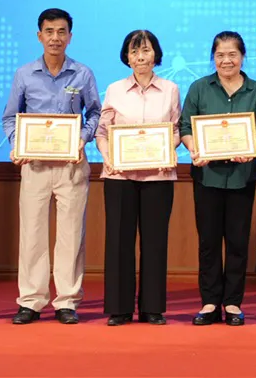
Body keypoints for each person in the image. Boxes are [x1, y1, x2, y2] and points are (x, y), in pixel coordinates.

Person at [2, 8, 101, 325]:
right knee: (32, 234)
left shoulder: (82, 74)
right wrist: (18, 144)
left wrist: (82, 139)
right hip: (36, 166)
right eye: (49, 31)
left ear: (70, 36)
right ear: (39, 35)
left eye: (61, 32)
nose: (55, 37)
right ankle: (31, 301)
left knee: (71, 235)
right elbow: (10, 117)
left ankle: (67, 301)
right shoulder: (24, 74)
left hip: (72, 165)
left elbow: (95, 114)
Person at [179, 31, 256, 326]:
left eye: (232, 54)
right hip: (207, 177)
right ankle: (209, 302)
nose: (226, 60)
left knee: (237, 242)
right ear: (213, 57)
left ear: (242, 57)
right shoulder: (199, 88)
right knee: (208, 242)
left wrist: (252, 145)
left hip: (242, 177)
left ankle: (232, 303)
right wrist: (195, 149)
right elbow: (185, 127)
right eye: (220, 55)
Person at [96, 30, 181, 326]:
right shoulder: (115, 89)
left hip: (158, 176)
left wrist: (166, 150)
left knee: (155, 241)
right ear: (126, 57)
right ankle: (119, 308)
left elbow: (175, 129)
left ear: (156, 54)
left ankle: (152, 307)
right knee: (118, 241)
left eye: (145, 50)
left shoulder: (170, 89)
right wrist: (109, 158)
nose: (140, 57)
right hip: (119, 176)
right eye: (134, 52)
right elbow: (103, 132)